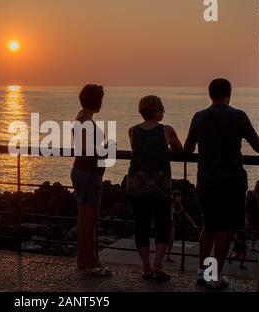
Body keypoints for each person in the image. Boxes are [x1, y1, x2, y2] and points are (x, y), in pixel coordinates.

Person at [184, 78, 259, 290]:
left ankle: (203, 271)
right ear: (229, 93)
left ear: (210, 94)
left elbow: (188, 148)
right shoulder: (238, 116)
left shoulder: (200, 117)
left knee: (209, 225)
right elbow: (258, 146)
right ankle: (214, 275)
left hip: (206, 179)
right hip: (231, 180)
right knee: (225, 227)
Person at [126, 95, 184, 281]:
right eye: (162, 108)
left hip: (138, 183)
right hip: (159, 184)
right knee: (163, 225)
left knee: (141, 225)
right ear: (157, 111)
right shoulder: (167, 130)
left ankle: (146, 267)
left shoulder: (132, 131)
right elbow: (179, 150)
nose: (164, 111)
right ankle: (158, 265)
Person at [70, 84, 112, 276]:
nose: (102, 103)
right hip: (89, 173)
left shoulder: (81, 118)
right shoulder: (85, 122)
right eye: (101, 99)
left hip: (82, 171)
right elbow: (88, 149)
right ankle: (90, 261)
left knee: (83, 219)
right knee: (89, 220)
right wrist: (107, 147)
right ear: (96, 101)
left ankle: (83, 258)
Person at [166, 190, 198, 263]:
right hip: (166, 222)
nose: (180, 198)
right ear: (174, 196)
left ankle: (168, 256)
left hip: (172, 223)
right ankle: (162, 255)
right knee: (165, 240)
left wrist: (193, 224)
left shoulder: (179, 205)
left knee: (171, 240)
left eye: (180, 196)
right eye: (178, 196)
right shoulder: (168, 203)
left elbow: (185, 214)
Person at [246, 180, 259, 251]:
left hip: (258, 214)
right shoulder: (250, 193)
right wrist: (247, 214)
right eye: (257, 185)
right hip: (251, 214)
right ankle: (247, 244)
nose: (257, 187)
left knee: (256, 230)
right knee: (250, 229)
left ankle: (253, 245)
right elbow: (246, 204)